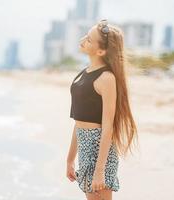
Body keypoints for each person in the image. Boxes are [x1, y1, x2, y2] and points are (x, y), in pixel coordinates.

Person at [66, 19, 138, 200]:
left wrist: (100, 170)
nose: (83, 39)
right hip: (85, 145)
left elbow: (108, 127)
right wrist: (69, 159)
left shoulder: (106, 78)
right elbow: (79, 122)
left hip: (100, 151)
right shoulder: (84, 73)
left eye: (89, 39)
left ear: (101, 51)